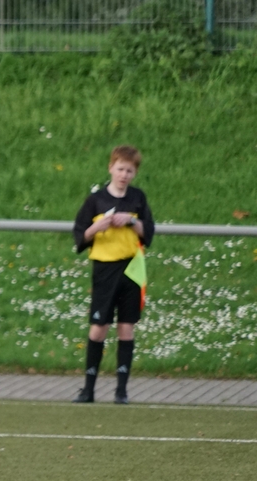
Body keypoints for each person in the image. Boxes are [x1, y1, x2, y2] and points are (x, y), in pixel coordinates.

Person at [72, 145, 155, 404]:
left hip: (131, 269)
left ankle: (121, 391)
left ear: (135, 173)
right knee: (99, 328)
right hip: (104, 269)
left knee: (126, 328)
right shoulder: (96, 200)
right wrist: (97, 226)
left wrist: (132, 221)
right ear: (111, 168)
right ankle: (88, 390)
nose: (124, 175)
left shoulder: (137, 198)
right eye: (120, 169)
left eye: (129, 171)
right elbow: (80, 235)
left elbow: (148, 232)